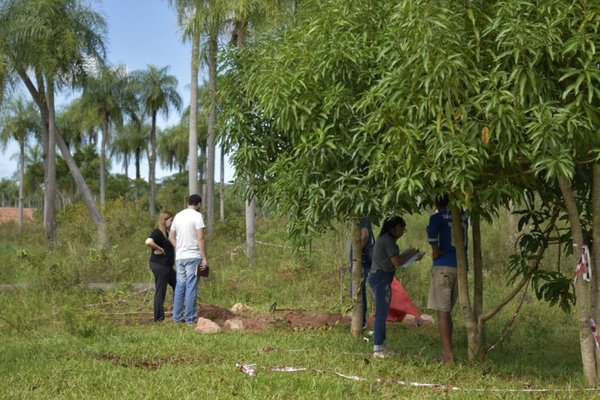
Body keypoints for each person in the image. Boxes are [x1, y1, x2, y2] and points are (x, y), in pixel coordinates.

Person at [369, 216, 423, 358]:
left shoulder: (387, 240)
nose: (403, 231)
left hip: (381, 277)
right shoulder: (388, 241)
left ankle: (382, 345)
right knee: (381, 313)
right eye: (402, 228)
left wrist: (409, 254)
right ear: (394, 228)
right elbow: (397, 262)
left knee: (383, 312)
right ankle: (378, 348)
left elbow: (396, 259)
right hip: (381, 278)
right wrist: (411, 254)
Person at [426, 194, 468, 364]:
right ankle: (448, 351)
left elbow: (434, 248)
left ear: (436, 201)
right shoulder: (463, 216)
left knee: (442, 311)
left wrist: (438, 252)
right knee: (448, 310)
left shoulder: (436, 218)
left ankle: (448, 354)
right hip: (460, 266)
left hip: (443, 266)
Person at [169, 194, 208, 325]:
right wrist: (204, 258)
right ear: (199, 204)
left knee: (180, 286)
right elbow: (201, 238)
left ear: (188, 203)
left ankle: (177, 318)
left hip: (180, 257)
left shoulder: (178, 216)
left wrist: (179, 247)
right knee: (191, 287)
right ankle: (190, 319)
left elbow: (171, 237)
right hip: (193, 255)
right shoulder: (197, 216)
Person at [145, 211, 176, 322]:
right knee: (160, 291)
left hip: (167, 267)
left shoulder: (167, 234)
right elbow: (148, 241)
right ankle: (158, 318)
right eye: (171, 220)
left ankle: (177, 313)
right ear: (164, 220)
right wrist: (159, 248)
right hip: (160, 266)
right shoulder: (157, 232)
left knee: (178, 284)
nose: (173, 222)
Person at [350, 217, 375, 329]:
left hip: (362, 258)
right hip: (365, 257)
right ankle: (361, 321)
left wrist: (357, 251)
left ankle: (360, 322)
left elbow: (364, 234)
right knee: (360, 288)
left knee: (357, 289)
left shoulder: (361, 215)